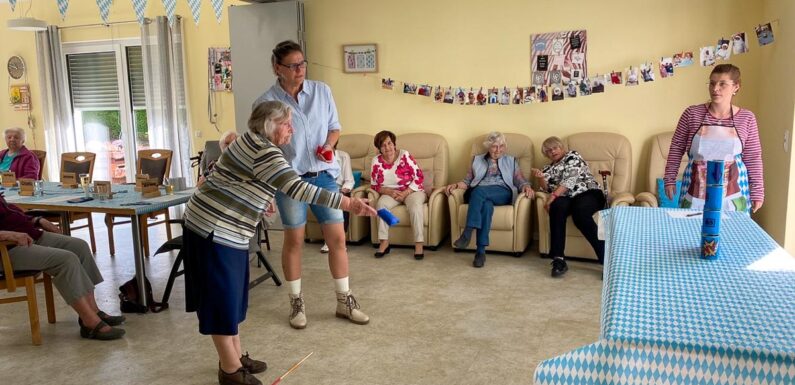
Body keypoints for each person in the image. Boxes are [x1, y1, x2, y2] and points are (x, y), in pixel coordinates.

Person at [182, 101, 376, 385]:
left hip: (228, 230)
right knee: (221, 299)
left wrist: (262, 202)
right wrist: (348, 203)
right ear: (269, 125)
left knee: (233, 296)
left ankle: (235, 358)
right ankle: (230, 371)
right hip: (212, 228)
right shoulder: (265, 151)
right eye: (287, 124)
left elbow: (247, 180)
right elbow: (297, 188)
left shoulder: (251, 141)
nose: (292, 130)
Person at [253, 40, 371, 331]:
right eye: (293, 65)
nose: (300, 69)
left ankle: (344, 301)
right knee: (294, 242)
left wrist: (329, 147)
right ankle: (296, 303)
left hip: (324, 176)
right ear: (277, 68)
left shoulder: (322, 91)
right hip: (289, 182)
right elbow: (263, 148)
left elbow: (334, 127)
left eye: (303, 63)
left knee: (337, 239)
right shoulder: (266, 103)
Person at [0, 195, 126, 340]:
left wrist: (36, 220)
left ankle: (94, 310)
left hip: (27, 235)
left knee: (79, 247)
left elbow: (8, 213)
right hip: (7, 249)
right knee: (66, 260)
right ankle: (89, 322)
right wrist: (9, 234)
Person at [664, 64, 763, 213]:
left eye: (722, 84)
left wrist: (757, 192)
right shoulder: (692, 114)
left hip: (734, 195)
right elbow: (676, 148)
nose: (715, 88)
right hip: (695, 191)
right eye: (712, 83)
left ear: (736, 87)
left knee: (734, 235)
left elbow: (753, 157)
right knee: (690, 233)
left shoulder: (746, 118)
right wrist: (669, 179)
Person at [445, 132, 534, 267]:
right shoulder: (476, 159)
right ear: (488, 147)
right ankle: (480, 252)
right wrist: (456, 185)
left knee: (479, 191)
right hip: (478, 194)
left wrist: (526, 186)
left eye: (501, 146)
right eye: (494, 147)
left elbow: (520, 180)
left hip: (502, 192)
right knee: (486, 206)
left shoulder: (511, 160)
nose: (498, 150)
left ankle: (467, 232)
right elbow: (467, 181)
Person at [533, 136, 605, 277]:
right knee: (557, 207)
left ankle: (606, 259)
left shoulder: (573, 156)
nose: (552, 151)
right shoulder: (548, 168)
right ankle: (558, 259)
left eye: (555, 148)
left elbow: (569, 180)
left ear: (562, 148)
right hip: (566, 197)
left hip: (587, 192)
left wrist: (552, 198)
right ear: (546, 154)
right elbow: (547, 189)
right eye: (548, 150)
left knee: (580, 215)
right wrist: (540, 177)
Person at [370, 130, 426, 260]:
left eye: (389, 143)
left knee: (415, 206)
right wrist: (389, 191)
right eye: (383, 145)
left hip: (412, 190)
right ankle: (384, 242)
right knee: (381, 205)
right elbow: (374, 184)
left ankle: (418, 244)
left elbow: (419, 176)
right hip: (391, 193)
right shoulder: (376, 161)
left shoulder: (404, 155)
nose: (387, 147)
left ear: (394, 144)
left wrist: (406, 192)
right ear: (379, 148)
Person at [320, 146, 354, 253]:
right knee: (324, 200)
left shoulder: (344, 156)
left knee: (342, 200)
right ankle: (328, 240)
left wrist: (343, 190)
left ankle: (340, 240)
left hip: (341, 188)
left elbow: (349, 180)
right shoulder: (318, 157)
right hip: (325, 190)